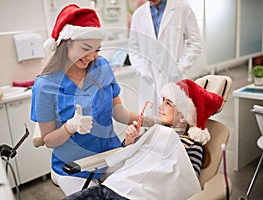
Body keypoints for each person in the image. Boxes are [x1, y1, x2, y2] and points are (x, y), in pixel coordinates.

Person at [30, 4, 140, 196]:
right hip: (74, 166)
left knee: (137, 191)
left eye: (97, 49)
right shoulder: (45, 85)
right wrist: (69, 127)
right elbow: (48, 140)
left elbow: (118, 112)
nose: (92, 56)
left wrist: (148, 120)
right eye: (86, 48)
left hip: (110, 156)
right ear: (66, 44)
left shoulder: (102, 66)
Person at [64, 79, 223, 200]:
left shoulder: (192, 145)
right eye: (162, 101)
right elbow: (128, 158)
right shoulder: (154, 133)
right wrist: (129, 141)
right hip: (114, 186)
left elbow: (186, 182)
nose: (161, 106)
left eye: (168, 103)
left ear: (183, 115)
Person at [128, 0, 203, 115]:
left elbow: (195, 43)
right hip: (148, 82)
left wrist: (179, 68)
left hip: (174, 79)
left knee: (174, 125)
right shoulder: (138, 14)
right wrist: (144, 71)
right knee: (149, 124)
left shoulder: (182, 8)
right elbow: (133, 48)